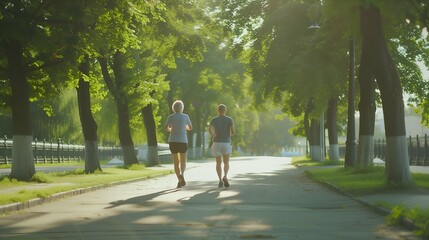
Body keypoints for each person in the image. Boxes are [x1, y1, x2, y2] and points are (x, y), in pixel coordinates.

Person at [164, 100, 193, 188]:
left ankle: (179, 180)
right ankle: (182, 174)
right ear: (182, 108)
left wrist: (170, 130)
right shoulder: (185, 116)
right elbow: (190, 128)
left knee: (176, 162)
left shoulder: (171, 117)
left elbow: (166, 127)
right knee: (183, 160)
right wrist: (185, 127)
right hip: (183, 140)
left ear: (173, 108)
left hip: (172, 140)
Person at [209, 104, 235, 188]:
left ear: (218, 111)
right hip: (226, 142)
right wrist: (229, 136)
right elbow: (232, 131)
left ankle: (220, 180)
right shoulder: (229, 119)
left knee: (218, 163)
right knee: (226, 162)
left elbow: (210, 130)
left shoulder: (214, 119)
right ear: (225, 110)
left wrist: (214, 134)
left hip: (216, 142)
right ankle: (225, 176)